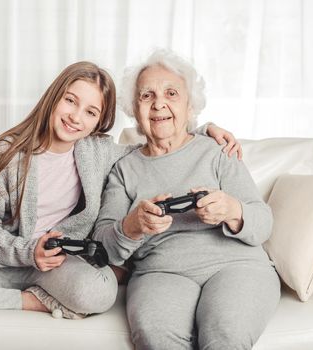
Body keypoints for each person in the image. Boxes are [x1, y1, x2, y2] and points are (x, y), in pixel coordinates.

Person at [0, 60, 240, 320]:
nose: (76, 117)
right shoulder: (7, 155)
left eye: (91, 112)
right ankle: (27, 303)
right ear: (54, 98)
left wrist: (205, 128)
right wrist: (26, 251)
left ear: (101, 121)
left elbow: (159, 144)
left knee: (98, 292)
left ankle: (17, 295)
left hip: (60, 268)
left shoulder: (98, 152)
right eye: (70, 101)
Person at [93, 49, 280, 349]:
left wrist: (232, 210)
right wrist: (133, 225)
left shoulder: (218, 151)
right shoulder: (124, 170)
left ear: (190, 105)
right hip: (160, 271)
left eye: (171, 93)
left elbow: (264, 223)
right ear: (134, 109)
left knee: (225, 334)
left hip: (237, 266)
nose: (159, 104)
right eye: (147, 96)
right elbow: (103, 246)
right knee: (156, 335)